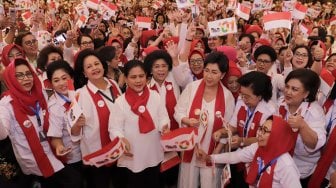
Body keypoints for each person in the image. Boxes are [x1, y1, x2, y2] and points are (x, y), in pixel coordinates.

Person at [0, 58, 80, 188]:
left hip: (54, 151)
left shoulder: (42, 93)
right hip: (34, 161)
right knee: (73, 180)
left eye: (28, 74)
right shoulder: (6, 104)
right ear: (11, 79)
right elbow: (2, 135)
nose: (26, 78)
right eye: (19, 76)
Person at [174, 52, 235, 188]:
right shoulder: (192, 88)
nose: (208, 75)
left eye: (214, 72)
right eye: (206, 70)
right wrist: (186, 120)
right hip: (190, 149)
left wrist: (214, 154)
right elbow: (178, 111)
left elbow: (228, 128)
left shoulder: (227, 96)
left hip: (212, 151)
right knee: (187, 183)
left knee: (210, 184)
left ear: (223, 75)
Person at [108, 60, 170, 188]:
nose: (138, 80)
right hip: (133, 153)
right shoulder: (120, 102)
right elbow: (114, 128)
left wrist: (164, 126)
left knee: (154, 181)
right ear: (125, 78)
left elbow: (163, 117)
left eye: (141, 76)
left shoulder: (155, 96)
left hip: (153, 150)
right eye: (133, 77)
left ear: (146, 77)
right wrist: (120, 139)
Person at [213, 71, 276, 187]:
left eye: (247, 96)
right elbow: (233, 126)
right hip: (239, 157)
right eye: (242, 94)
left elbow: (264, 140)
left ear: (260, 96)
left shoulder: (270, 112)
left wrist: (242, 141)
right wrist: (222, 132)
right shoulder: (242, 101)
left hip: (256, 160)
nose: (243, 99)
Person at [73, 49, 122, 188]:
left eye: (97, 63)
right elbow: (74, 133)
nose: (94, 68)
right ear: (84, 73)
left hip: (119, 150)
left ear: (102, 65)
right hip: (97, 157)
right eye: (89, 67)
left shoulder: (113, 84)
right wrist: (77, 125)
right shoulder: (79, 95)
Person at [207, 115, 301, 188]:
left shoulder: (286, 165)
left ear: (276, 136)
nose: (259, 134)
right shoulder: (258, 147)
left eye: (265, 131)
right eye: (261, 128)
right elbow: (236, 156)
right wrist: (210, 158)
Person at [278, 68, 326, 187]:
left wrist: (302, 126)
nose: (288, 92)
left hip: (301, 172)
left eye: (294, 89)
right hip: (278, 167)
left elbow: (314, 144)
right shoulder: (280, 103)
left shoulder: (314, 112)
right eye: (287, 87)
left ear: (306, 93)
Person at [144, 50, 181, 187]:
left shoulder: (175, 81)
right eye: (156, 66)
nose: (161, 70)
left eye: (164, 66)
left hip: (175, 136)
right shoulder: (146, 87)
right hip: (154, 138)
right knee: (156, 174)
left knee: (173, 174)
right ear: (150, 69)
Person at [46, 60, 83, 186]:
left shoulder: (79, 95)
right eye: (56, 80)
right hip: (73, 157)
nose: (62, 83)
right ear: (51, 84)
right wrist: (59, 147)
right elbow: (55, 136)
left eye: (64, 78)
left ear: (71, 78)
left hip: (89, 150)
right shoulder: (54, 107)